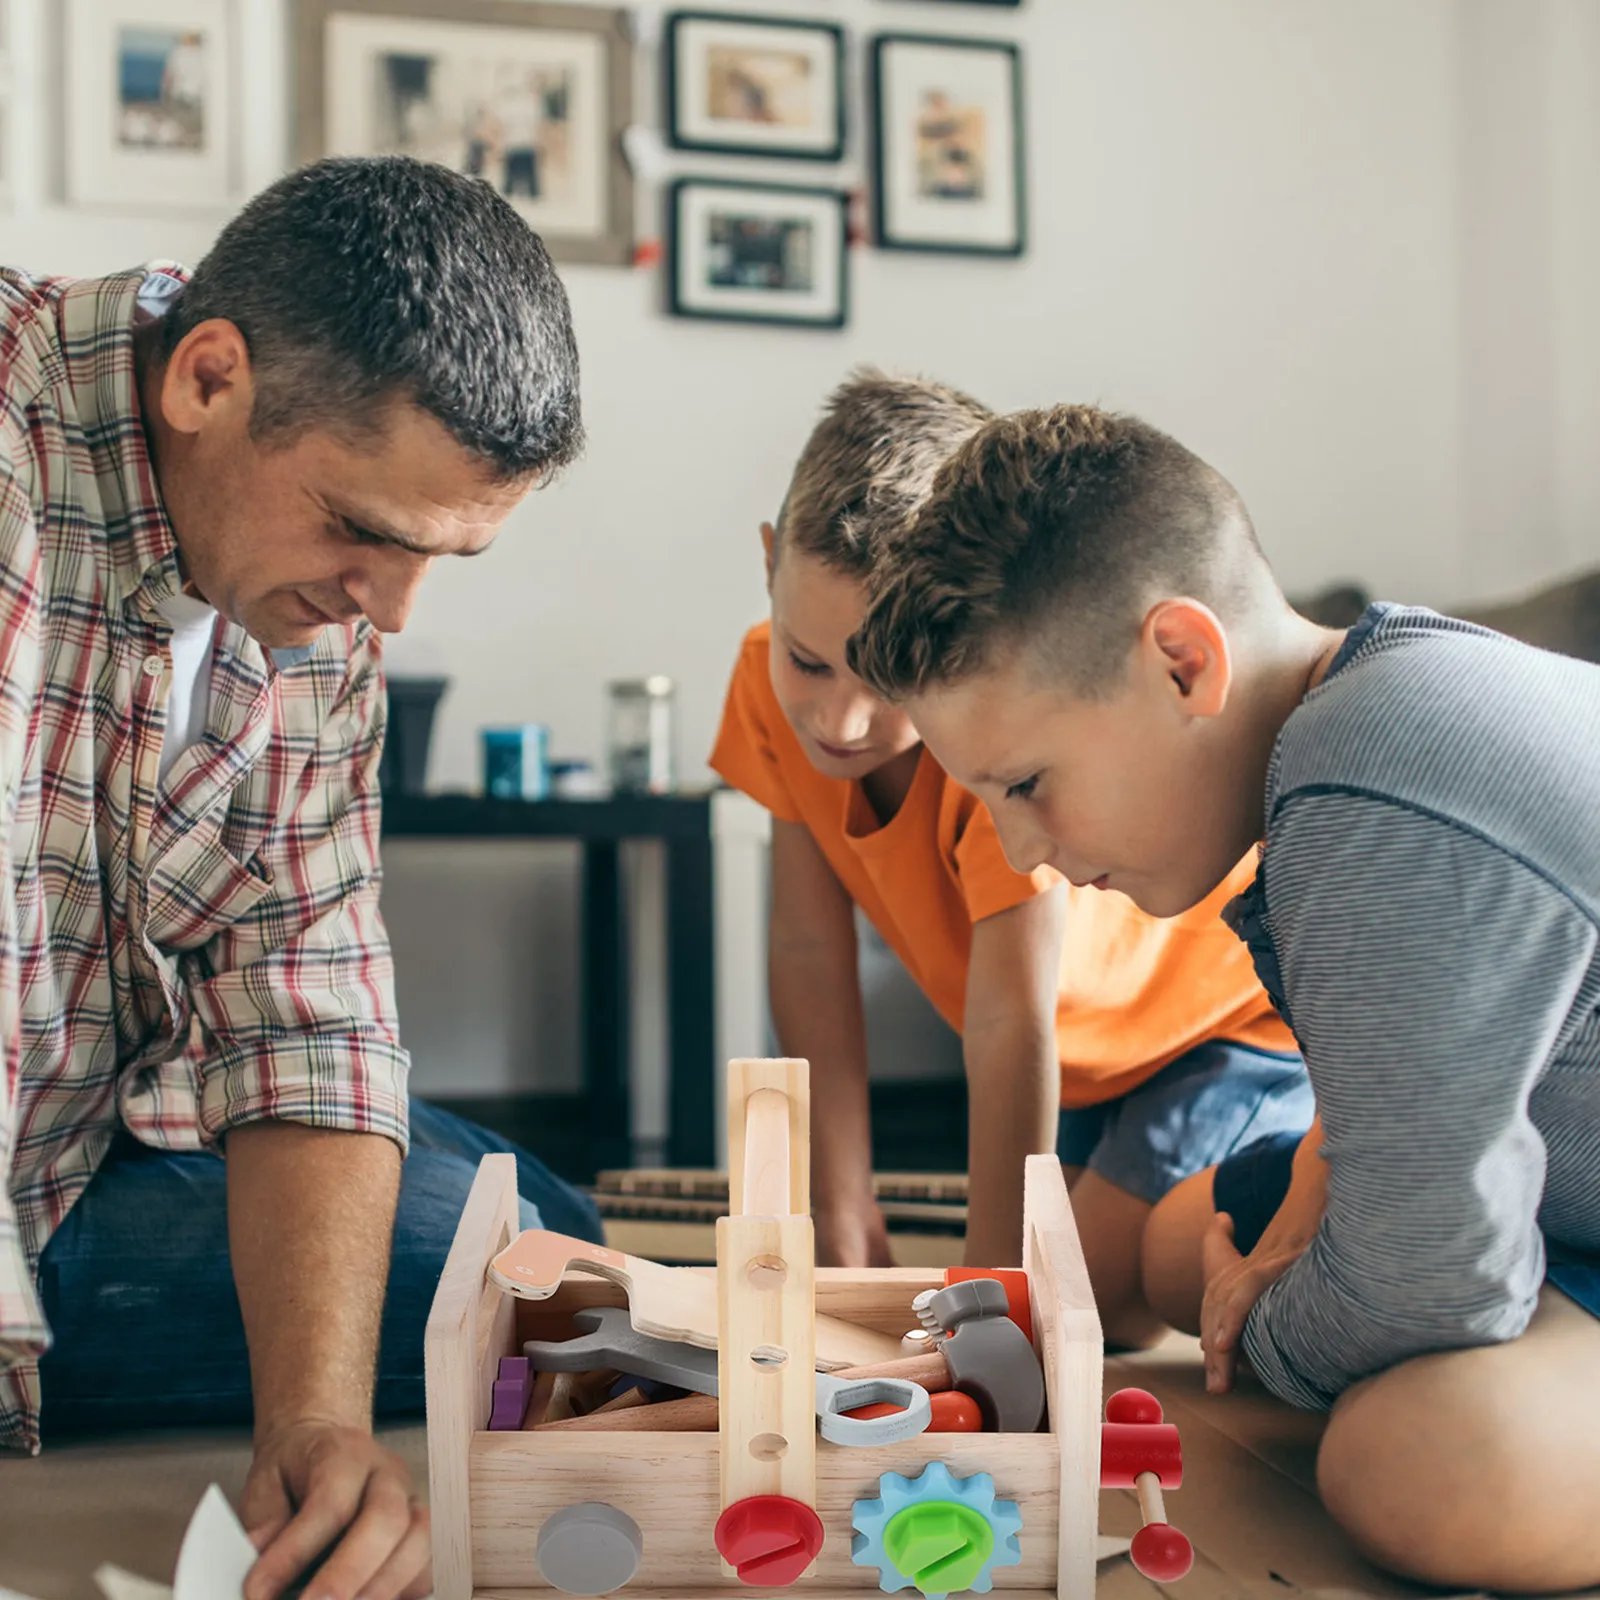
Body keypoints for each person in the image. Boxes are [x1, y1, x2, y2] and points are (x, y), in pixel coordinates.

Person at [847, 401, 1600, 1592]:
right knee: (1171, 1243)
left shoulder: (1372, 797)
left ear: (1182, 661)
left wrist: (1280, 1322)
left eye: (1029, 783)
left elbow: (1424, 1285)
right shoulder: (1363, 708)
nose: (1024, 848)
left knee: (1420, 1466)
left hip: (1542, 1212)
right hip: (1565, 1184)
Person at [1, 156, 603, 1600]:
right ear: (207, 378)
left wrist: (316, 1420)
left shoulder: (324, 617)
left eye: (443, 557)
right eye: (365, 533)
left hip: (77, 1148)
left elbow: (310, 1014)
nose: (389, 613)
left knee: (543, 1260)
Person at [710, 372, 1308, 1344]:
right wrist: (844, 1203)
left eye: (883, 678)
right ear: (770, 567)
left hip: (1220, 1027)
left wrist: (988, 1297)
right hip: (1089, 1067)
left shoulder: (987, 743)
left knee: (1096, 1304)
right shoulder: (758, 685)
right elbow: (809, 951)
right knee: (1057, 1265)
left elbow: (1007, 1019)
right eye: (806, 660)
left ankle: (1310, 1148)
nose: (838, 720)